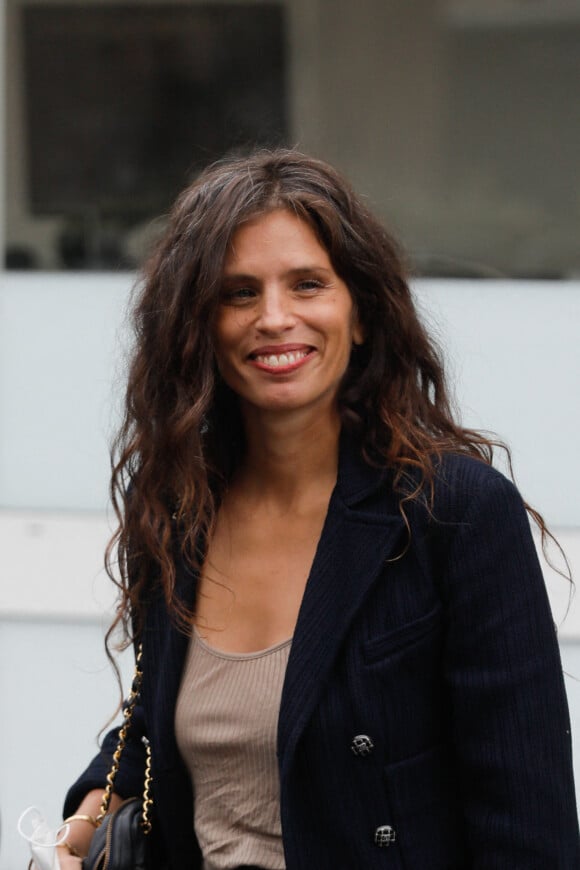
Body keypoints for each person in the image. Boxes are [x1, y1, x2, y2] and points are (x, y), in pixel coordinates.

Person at [57, 149, 579, 869]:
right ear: (199, 327)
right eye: (238, 293)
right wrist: (86, 818)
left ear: (359, 314)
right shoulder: (182, 508)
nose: (275, 318)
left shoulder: (451, 512)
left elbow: (529, 828)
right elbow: (161, 727)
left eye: (307, 284)